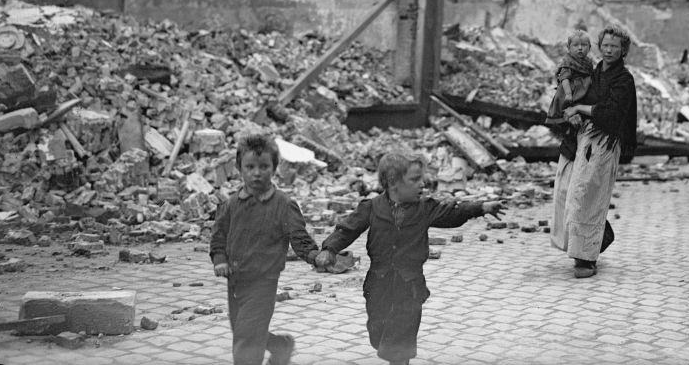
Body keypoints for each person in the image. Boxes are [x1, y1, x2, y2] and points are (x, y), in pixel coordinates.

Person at [314, 152, 505, 365]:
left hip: (410, 283)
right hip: (379, 282)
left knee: (402, 337)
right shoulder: (372, 207)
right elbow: (347, 229)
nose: (422, 184)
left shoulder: (425, 208)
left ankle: (401, 360)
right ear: (393, 183)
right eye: (414, 179)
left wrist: (480, 207)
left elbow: (452, 212)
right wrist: (329, 249)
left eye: (421, 178)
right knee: (377, 330)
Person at [210, 132, 320, 365]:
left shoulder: (283, 204)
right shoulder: (231, 204)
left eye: (264, 166)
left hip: (263, 281)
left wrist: (313, 255)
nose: (257, 173)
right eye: (250, 166)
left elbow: (298, 236)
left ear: (274, 167)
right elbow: (218, 236)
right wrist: (220, 259)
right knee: (243, 329)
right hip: (235, 280)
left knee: (247, 338)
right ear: (239, 168)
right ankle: (280, 345)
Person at [551, 24, 638, 278]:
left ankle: (586, 258)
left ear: (624, 51)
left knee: (587, 197)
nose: (609, 50)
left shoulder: (624, 79)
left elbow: (610, 114)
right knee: (568, 193)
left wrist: (580, 109)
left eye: (615, 46)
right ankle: (600, 235)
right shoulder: (594, 70)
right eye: (606, 45)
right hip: (581, 139)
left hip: (604, 144)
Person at [544, 29, 595, 135]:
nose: (580, 48)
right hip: (571, 90)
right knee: (567, 107)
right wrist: (568, 93)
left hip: (583, 88)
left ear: (589, 47)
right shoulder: (568, 61)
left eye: (584, 45)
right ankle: (563, 123)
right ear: (569, 48)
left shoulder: (588, 62)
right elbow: (564, 78)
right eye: (575, 45)